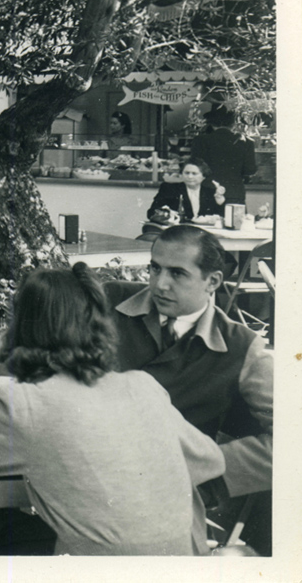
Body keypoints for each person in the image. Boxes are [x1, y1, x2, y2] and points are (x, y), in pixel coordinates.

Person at [0, 264, 225, 555]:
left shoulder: (23, 403)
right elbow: (211, 461)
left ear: (21, 329)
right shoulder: (142, 386)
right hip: (181, 564)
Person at [104, 224, 272, 554]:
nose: (159, 284)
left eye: (177, 273)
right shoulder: (109, 303)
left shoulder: (241, 346)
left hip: (168, 509)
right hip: (87, 494)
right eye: (155, 268)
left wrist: (205, 471)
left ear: (212, 282)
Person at [190, 106, 257, 205]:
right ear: (233, 123)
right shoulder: (246, 142)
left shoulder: (200, 141)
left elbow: (195, 167)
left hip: (207, 191)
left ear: (211, 123)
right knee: (234, 219)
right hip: (234, 192)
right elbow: (250, 170)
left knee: (206, 220)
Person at [148, 157, 226, 222]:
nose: (190, 177)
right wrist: (167, 214)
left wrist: (220, 201)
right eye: (186, 173)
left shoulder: (210, 192)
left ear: (203, 176)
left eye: (194, 173)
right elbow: (151, 212)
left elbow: (222, 217)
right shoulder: (169, 189)